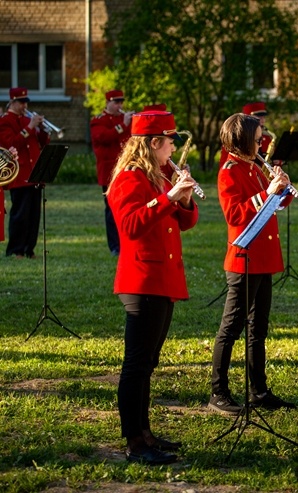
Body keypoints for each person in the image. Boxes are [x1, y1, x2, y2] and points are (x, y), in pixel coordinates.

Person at [107, 110, 198, 465]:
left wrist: (183, 198)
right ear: (154, 143)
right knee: (137, 364)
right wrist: (169, 197)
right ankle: (134, 441)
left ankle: (145, 432)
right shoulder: (130, 178)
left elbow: (184, 221)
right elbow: (130, 226)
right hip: (141, 279)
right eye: (170, 140)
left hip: (161, 278)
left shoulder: (157, 176)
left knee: (148, 362)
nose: (174, 146)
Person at [208, 113, 297, 415]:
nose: (262, 143)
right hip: (244, 260)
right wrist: (267, 192)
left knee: (258, 329)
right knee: (231, 328)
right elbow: (236, 214)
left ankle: (258, 389)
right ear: (243, 140)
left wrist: (282, 190)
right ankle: (218, 391)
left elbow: (271, 203)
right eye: (258, 138)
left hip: (263, 258)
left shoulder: (255, 168)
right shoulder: (229, 172)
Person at [0, 87, 49, 259]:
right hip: (19, 174)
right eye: (21, 102)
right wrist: (30, 127)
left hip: (35, 172)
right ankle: (16, 249)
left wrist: (42, 129)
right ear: (12, 102)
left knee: (34, 215)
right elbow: (11, 143)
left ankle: (29, 249)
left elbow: (42, 142)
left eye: (26, 102)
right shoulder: (5, 121)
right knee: (20, 214)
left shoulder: (27, 120)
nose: (24, 106)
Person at [90, 89, 134, 256]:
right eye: (116, 102)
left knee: (128, 207)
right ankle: (115, 246)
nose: (119, 105)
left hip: (126, 170)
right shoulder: (98, 121)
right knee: (111, 210)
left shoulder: (125, 120)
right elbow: (104, 137)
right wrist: (123, 124)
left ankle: (126, 242)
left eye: (121, 102)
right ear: (108, 103)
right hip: (109, 172)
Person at [218, 102, 276, 167]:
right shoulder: (235, 139)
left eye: (263, 117)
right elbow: (225, 165)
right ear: (248, 118)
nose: (262, 120)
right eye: (258, 117)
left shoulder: (268, 137)